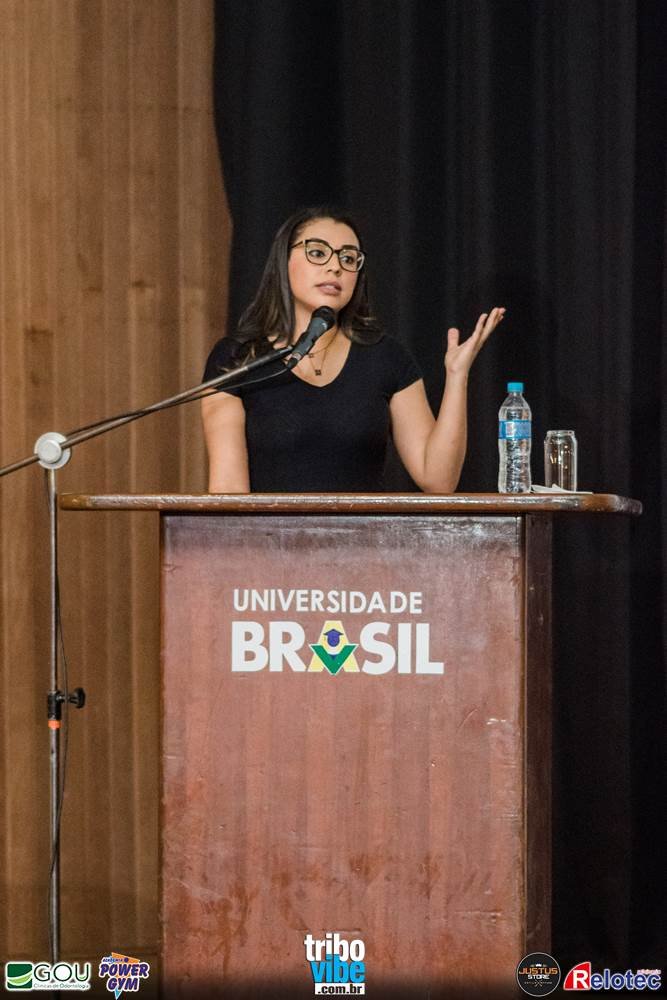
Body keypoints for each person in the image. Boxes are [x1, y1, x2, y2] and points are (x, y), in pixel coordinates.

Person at [201, 206, 504, 493]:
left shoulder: (386, 358)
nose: (335, 267)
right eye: (317, 253)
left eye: (348, 258)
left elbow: (438, 480)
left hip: (365, 532)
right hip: (267, 532)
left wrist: (457, 375)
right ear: (283, 261)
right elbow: (228, 491)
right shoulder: (237, 360)